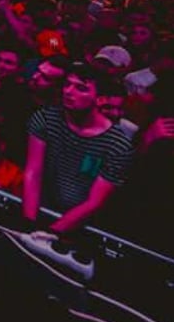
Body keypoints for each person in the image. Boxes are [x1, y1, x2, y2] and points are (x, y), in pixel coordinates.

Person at [22, 62, 134, 236]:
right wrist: (29, 224)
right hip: (42, 209)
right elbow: (33, 173)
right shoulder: (45, 118)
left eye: (80, 88)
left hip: (83, 226)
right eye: (67, 85)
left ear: (99, 99)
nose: (68, 92)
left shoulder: (117, 145)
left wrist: (53, 233)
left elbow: (95, 201)